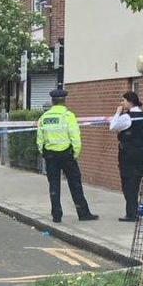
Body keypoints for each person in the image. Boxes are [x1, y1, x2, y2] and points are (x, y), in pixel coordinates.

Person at [36, 89, 99, 223]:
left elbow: (39, 138)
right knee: (75, 184)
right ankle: (83, 213)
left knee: (54, 185)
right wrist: (75, 153)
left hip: (50, 155)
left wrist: (43, 152)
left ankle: (56, 215)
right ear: (64, 101)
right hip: (67, 155)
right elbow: (75, 137)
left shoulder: (45, 117)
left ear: (52, 101)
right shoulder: (68, 116)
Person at [110, 91, 143, 222]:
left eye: (123, 101)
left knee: (127, 184)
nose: (122, 103)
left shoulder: (127, 117)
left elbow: (113, 126)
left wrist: (117, 112)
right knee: (135, 182)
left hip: (127, 155)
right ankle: (133, 211)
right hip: (141, 153)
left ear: (129, 102)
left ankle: (131, 214)